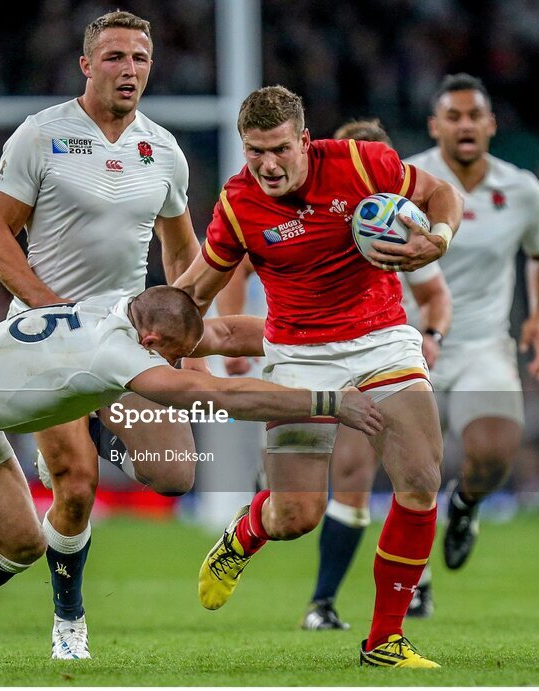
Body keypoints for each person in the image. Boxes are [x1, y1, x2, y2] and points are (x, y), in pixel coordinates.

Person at [0, 286, 384, 669]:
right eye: (169, 354)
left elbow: (216, 336)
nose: (169, 364)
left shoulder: (112, 313)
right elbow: (214, 394)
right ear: (154, 337)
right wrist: (328, 402)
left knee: (23, 542)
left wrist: (331, 340)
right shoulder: (116, 351)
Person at [176, 86, 464, 668]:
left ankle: (384, 640)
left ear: (305, 140)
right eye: (254, 152)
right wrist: (153, 336)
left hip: (382, 340)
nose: (268, 165)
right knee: (297, 516)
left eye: (279, 149)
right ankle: (245, 535)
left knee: (419, 479)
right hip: (298, 356)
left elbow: (441, 194)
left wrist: (438, 239)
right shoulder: (238, 205)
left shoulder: (362, 163)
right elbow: (196, 290)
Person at [0, 11, 202, 659]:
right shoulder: (40, 135)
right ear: (85, 65)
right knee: (75, 492)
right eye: (113, 57)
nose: (128, 69)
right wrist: (50, 306)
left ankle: (88, 435)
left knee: (175, 474)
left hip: (121, 338)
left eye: (139, 58)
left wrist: (183, 321)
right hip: (45, 337)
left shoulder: (162, 149)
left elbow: (181, 246)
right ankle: (69, 616)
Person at [401, 74, 539, 594]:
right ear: (436, 126)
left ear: (490, 125)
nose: (465, 124)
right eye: (454, 116)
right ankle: (415, 580)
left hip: (483, 343)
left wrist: (538, 317)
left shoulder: (522, 190)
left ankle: (465, 505)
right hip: (409, 339)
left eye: (475, 116)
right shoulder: (406, 180)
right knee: (411, 465)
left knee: (495, 454)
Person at [297, 119, 452, 630]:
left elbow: (435, 296)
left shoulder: (406, 223)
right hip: (334, 356)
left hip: (394, 358)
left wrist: (435, 335)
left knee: (408, 477)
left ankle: (372, 599)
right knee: (344, 482)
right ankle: (332, 600)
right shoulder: (325, 227)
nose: (389, 179)